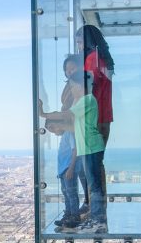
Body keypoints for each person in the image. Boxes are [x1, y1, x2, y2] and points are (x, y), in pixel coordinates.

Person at [43, 71, 107, 233]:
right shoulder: (83, 103)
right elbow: (74, 128)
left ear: (81, 86)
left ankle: (98, 221)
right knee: (92, 186)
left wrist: (43, 114)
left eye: (72, 86)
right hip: (88, 148)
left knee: (94, 186)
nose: (71, 90)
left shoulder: (87, 100)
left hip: (92, 147)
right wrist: (58, 127)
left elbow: (66, 114)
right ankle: (95, 219)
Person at [40, 55, 84, 231]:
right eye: (67, 69)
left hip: (69, 165)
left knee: (71, 192)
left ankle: (74, 216)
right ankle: (68, 215)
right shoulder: (68, 131)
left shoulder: (74, 125)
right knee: (67, 192)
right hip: (63, 165)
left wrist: (44, 114)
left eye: (73, 68)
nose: (70, 72)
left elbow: (67, 116)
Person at [75, 25, 114, 216]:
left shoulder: (91, 60)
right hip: (105, 116)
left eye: (80, 42)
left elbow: (86, 88)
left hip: (93, 117)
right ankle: (96, 206)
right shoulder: (104, 61)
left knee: (89, 167)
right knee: (96, 164)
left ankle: (93, 207)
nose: (79, 47)